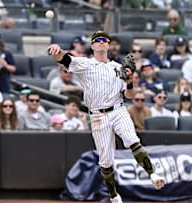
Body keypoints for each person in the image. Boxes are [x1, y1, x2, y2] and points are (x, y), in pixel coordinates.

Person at [48, 30, 165, 203]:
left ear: (108, 45)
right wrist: (56, 51)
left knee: (131, 139)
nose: (101, 42)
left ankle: (153, 174)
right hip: (97, 115)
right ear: (93, 45)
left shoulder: (118, 68)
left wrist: (130, 80)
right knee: (105, 160)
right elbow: (65, 59)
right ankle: (113, 195)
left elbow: (130, 95)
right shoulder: (85, 64)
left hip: (118, 109)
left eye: (104, 40)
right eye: (98, 40)